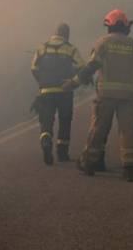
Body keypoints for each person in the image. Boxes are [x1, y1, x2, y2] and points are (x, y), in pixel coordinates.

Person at [62, 9, 133, 181]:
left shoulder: (103, 43)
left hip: (106, 96)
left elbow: (90, 68)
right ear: (125, 26)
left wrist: (72, 84)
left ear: (108, 26)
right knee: (128, 132)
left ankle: (89, 163)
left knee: (99, 130)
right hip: (128, 96)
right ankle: (129, 168)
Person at [31, 23, 85, 164]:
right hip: (65, 91)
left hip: (46, 91)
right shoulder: (71, 49)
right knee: (65, 120)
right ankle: (62, 152)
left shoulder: (41, 48)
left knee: (46, 120)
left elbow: (34, 69)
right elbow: (83, 68)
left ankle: (45, 139)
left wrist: (42, 82)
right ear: (66, 34)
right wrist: (73, 80)